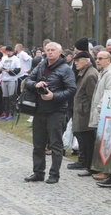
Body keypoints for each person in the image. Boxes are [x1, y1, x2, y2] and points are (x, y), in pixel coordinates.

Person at [22, 42, 76, 184]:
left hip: (56, 111)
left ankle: (54, 174)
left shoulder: (65, 69)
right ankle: (38, 172)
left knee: (55, 144)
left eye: (53, 50)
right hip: (39, 110)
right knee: (38, 144)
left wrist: (54, 96)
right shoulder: (41, 65)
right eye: (48, 50)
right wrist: (36, 84)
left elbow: (71, 90)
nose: (50, 52)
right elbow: (27, 80)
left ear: (59, 52)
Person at [89, 51, 111, 186]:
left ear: (109, 60)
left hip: (106, 112)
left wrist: (101, 108)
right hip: (100, 111)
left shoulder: (110, 74)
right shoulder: (102, 72)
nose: (97, 60)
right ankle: (103, 169)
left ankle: (106, 171)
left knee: (106, 142)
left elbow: (109, 93)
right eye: (97, 58)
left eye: (101, 58)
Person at [67, 51, 98, 174]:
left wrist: (89, 114)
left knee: (88, 141)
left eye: (78, 61)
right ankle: (86, 163)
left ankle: (90, 166)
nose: (75, 63)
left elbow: (92, 98)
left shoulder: (90, 75)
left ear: (86, 61)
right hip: (81, 112)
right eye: (75, 61)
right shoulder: (84, 73)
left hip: (86, 114)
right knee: (83, 140)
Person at [0, 46, 21, 119]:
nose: (8, 52)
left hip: (12, 80)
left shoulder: (16, 59)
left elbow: (18, 70)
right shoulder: (4, 58)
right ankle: (6, 113)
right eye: (6, 51)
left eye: (9, 51)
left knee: (11, 97)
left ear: (13, 51)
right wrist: (0, 69)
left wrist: (10, 71)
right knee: (5, 98)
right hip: (4, 80)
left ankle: (12, 113)